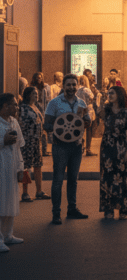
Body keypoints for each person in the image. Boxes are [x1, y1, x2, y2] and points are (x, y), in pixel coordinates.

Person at [43, 73, 93, 225]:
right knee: (58, 180)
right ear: (63, 86)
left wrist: (87, 121)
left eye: (74, 84)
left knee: (73, 180)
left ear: (77, 86)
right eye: (68, 85)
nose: (71, 87)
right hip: (60, 146)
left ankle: (72, 209)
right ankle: (56, 213)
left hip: (76, 146)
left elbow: (87, 123)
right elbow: (46, 125)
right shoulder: (54, 103)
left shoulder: (82, 103)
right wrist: (61, 128)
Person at [99, 85, 127, 220]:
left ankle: (124, 210)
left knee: (122, 178)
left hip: (121, 147)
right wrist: (102, 104)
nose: (109, 95)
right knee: (107, 177)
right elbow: (97, 118)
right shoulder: (106, 111)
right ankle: (108, 209)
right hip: (107, 147)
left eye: (112, 93)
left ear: (119, 94)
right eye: (108, 93)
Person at [0, 93, 25, 253]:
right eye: (14, 104)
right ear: (5, 106)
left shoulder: (14, 122)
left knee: (10, 200)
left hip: (11, 167)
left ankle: (8, 235)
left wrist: (20, 167)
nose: (17, 107)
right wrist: (3, 141)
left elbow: (18, 146)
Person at [19, 87, 49, 202]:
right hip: (27, 141)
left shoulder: (36, 107)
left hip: (37, 141)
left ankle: (39, 191)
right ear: (27, 95)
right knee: (25, 167)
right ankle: (25, 192)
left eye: (36, 94)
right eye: (33, 94)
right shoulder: (23, 108)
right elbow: (22, 125)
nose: (36, 96)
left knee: (38, 165)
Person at [76, 74, 97, 156]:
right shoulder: (86, 89)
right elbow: (92, 98)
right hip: (88, 110)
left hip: (78, 110)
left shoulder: (77, 89)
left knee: (80, 130)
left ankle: (80, 147)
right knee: (89, 130)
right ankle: (88, 149)